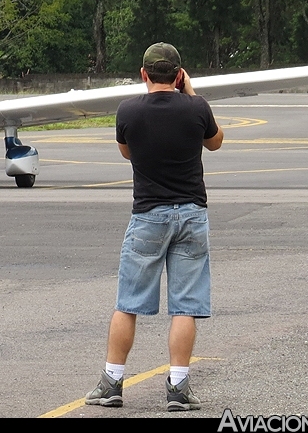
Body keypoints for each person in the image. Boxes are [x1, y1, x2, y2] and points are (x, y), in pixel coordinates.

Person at [85, 42, 224, 412]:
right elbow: (216, 142)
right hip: (192, 215)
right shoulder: (196, 108)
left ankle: (112, 381)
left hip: (148, 214)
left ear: (144, 74)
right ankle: (178, 387)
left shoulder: (128, 110)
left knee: (128, 302)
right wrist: (191, 94)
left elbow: (127, 151)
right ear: (179, 75)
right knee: (186, 305)